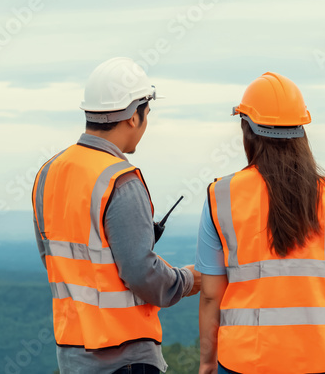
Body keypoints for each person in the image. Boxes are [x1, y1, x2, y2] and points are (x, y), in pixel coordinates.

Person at [195, 72, 325, 374]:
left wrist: (208, 361)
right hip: (318, 363)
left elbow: (211, 294)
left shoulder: (220, 196)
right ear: (302, 130)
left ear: (246, 129)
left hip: (242, 363)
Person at [31, 57, 202, 374]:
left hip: (72, 356)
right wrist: (190, 279)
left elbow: (58, 261)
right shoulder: (120, 180)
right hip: (124, 359)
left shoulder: (48, 173)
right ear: (133, 117)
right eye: (147, 113)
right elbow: (141, 275)